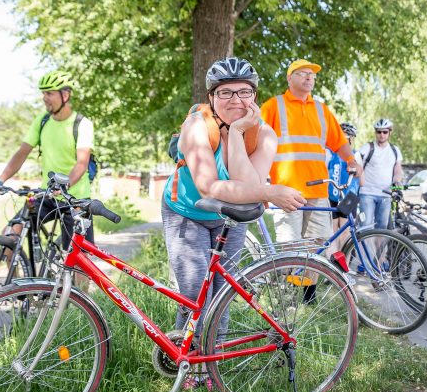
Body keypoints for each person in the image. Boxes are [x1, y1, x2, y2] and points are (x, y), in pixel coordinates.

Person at [161, 57, 304, 363]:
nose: (236, 100)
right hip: (187, 210)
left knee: (223, 293)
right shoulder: (197, 126)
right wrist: (268, 191)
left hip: (231, 216)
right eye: (225, 93)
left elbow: (247, 187)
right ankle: (187, 360)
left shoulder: (263, 134)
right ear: (211, 98)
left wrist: (238, 133)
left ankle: (211, 360)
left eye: (244, 92)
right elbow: (209, 187)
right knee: (195, 290)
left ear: (255, 97)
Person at [0, 70, 95, 250]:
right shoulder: (42, 121)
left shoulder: (82, 124)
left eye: (50, 93)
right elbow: (22, 153)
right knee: (9, 237)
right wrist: (1, 179)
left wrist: (64, 186)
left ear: (65, 95)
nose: (45, 98)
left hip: (75, 199)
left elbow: (81, 163)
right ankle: (16, 277)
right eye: (43, 93)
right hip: (47, 196)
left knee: (79, 262)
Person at [260, 59, 361, 246]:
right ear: (289, 78)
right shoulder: (273, 106)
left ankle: (306, 278)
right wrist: (259, 186)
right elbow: (255, 143)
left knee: (318, 247)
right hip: (287, 191)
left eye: (312, 74)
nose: (308, 77)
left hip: (318, 191)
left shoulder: (321, 110)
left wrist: (351, 160)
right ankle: (287, 277)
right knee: (290, 249)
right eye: (302, 73)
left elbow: (339, 142)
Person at [357, 118, 404, 230]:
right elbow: (357, 165)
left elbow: (398, 170)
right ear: (375, 132)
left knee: (382, 229)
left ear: (389, 132)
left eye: (385, 132)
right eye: (379, 132)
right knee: (365, 227)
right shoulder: (368, 147)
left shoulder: (395, 150)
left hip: (386, 194)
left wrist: (396, 181)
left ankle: (379, 249)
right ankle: (367, 248)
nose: (382, 135)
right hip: (367, 193)